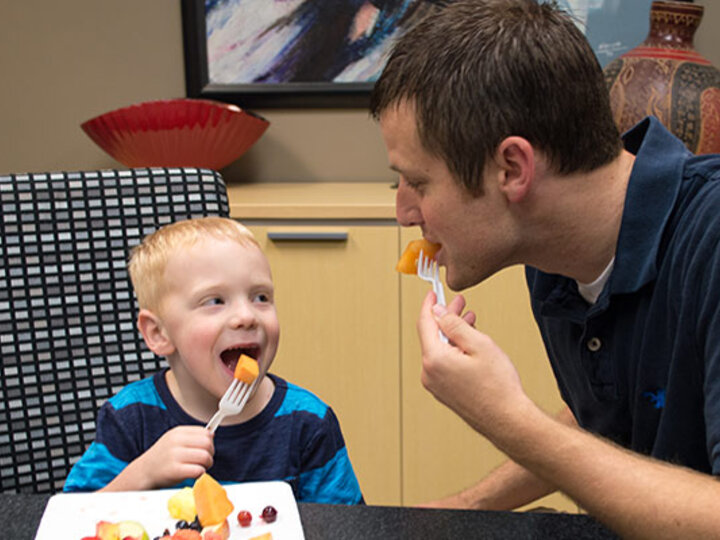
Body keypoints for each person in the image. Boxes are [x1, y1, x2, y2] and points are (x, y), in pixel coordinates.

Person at [370, 0, 720, 537]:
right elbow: (602, 410)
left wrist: (508, 420)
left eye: (418, 182)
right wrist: (464, 508)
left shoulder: (711, 242)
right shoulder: (551, 254)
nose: (403, 213)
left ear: (512, 168)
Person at [64, 217, 363, 504]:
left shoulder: (307, 422)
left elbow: (347, 527)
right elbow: (67, 518)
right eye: (215, 301)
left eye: (260, 297)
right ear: (158, 333)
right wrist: (142, 474)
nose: (247, 316)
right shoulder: (131, 418)